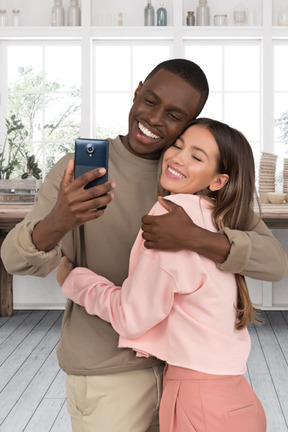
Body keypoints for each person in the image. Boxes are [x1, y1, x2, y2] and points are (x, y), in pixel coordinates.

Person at [0, 59, 285, 432]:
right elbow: (15, 261)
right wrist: (60, 219)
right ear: (136, 93)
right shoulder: (75, 172)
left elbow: (274, 262)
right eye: (150, 101)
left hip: (184, 374)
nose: (154, 118)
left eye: (174, 115)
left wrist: (194, 238)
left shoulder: (192, 184)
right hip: (108, 373)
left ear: (192, 122)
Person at [57, 118, 267, 432]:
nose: (178, 158)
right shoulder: (221, 219)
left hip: (197, 398)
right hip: (237, 395)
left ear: (219, 181)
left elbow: (132, 316)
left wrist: (74, 280)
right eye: (178, 145)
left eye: (197, 157)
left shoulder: (170, 214)